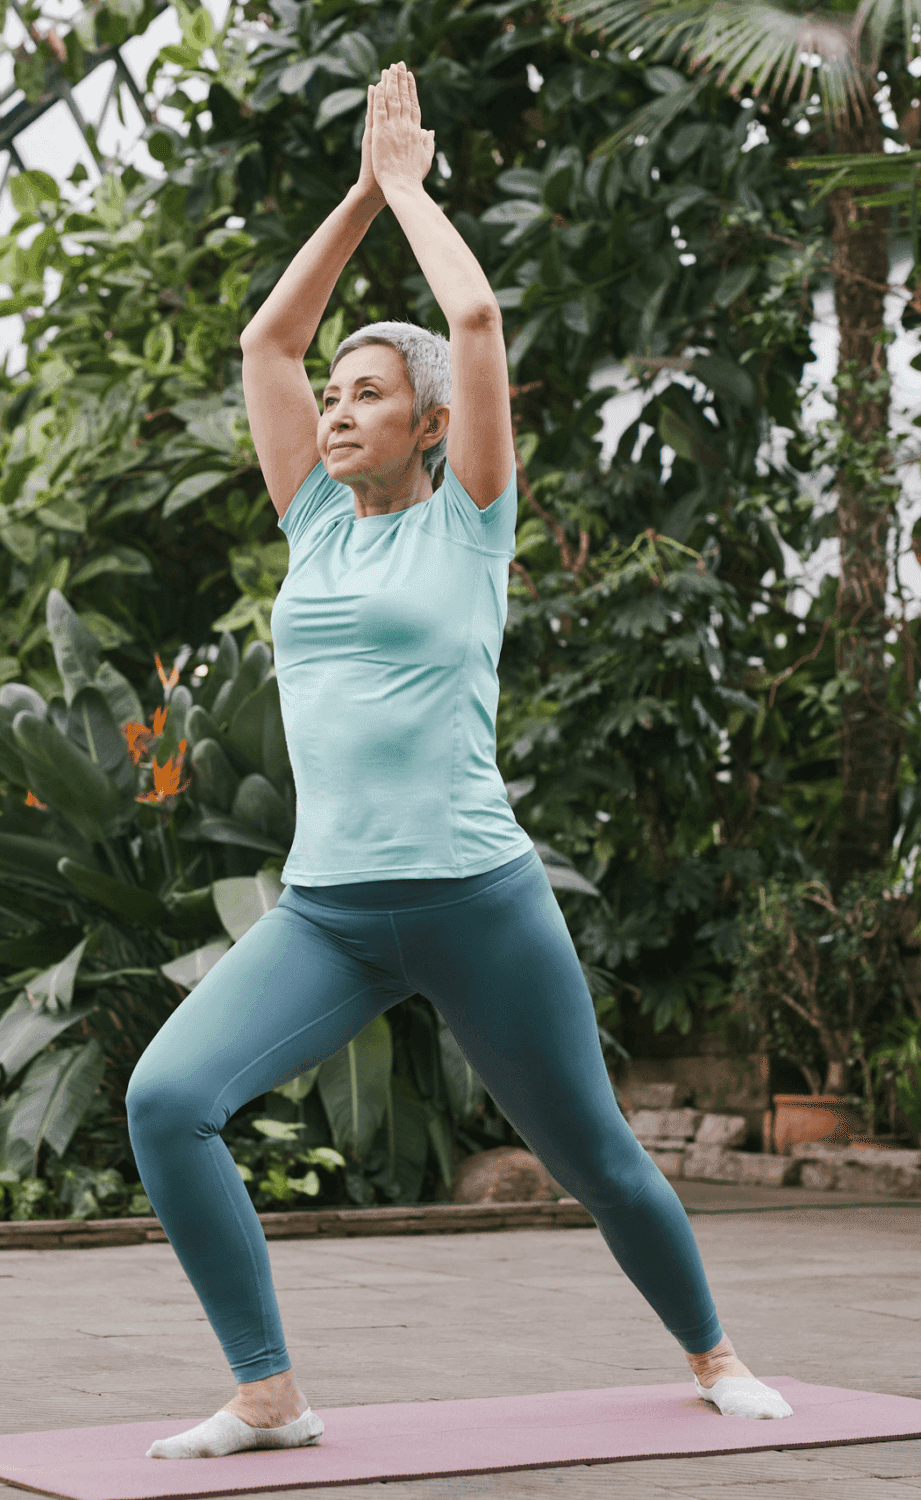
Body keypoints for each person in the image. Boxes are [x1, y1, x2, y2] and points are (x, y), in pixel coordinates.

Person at [126, 62, 793, 1462]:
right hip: (331, 909)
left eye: (371, 395)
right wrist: (362, 194)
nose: (339, 411)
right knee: (168, 1100)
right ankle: (270, 1395)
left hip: (478, 897)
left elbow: (475, 315)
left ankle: (715, 1354)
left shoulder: (470, 524)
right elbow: (266, 347)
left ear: (431, 423)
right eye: (340, 396)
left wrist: (418, 194)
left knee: (595, 1158)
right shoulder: (314, 521)